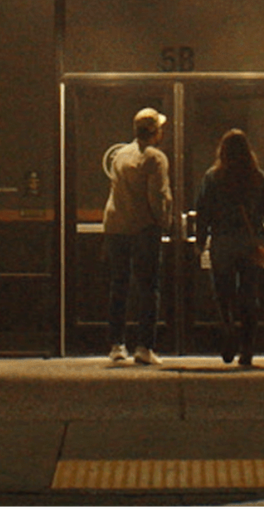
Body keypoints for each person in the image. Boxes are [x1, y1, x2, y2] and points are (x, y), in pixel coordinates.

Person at [194, 128, 264, 369]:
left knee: (223, 292)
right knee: (249, 294)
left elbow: (203, 211)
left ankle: (228, 327)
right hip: (248, 242)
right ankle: (248, 348)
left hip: (222, 241)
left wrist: (201, 240)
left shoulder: (213, 177)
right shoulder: (258, 177)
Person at [103, 106, 171, 367]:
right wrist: (164, 222)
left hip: (116, 226)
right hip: (144, 227)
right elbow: (158, 196)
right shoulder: (154, 158)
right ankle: (145, 346)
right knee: (147, 287)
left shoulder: (120, 155)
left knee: (118, 285)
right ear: (155, 132)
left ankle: (117, 345)